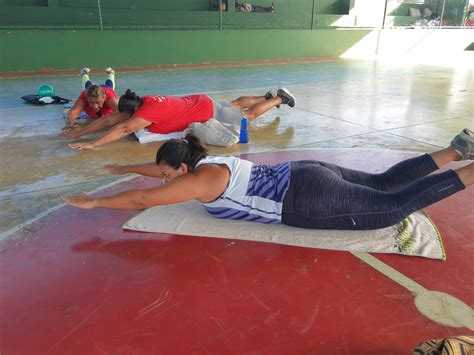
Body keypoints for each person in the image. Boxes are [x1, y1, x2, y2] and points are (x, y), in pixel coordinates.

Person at [64, 128, 473, 231]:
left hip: (302, 197)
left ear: (182, 171)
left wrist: (96, 203)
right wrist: (122, 170)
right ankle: (457, 149)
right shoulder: (203, 160)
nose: (163, 181)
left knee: (391, 209)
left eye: (167, 176)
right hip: (305, 170)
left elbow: (141, 201)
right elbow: (162, 171)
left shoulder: (197, 182)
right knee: (382, 182)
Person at [62, 87, 295, 150]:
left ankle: (279, 99)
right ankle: (265, 96)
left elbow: (122, 128)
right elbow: (111, 120)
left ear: (133, 110)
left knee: (246, 116)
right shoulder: (145, 100)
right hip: (198, 100)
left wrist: (92, 143)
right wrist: (80, 132)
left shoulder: (146, 112)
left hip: (204, 112)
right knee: (232, 104)